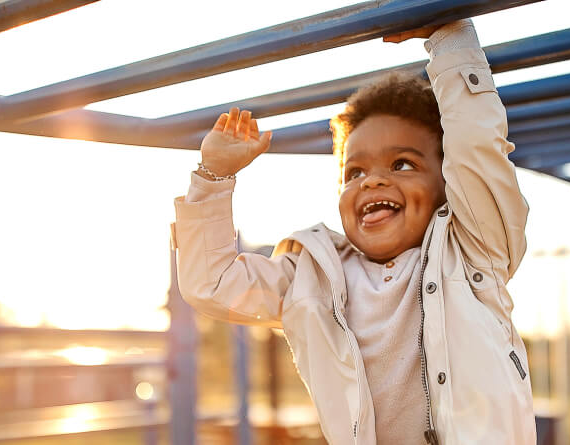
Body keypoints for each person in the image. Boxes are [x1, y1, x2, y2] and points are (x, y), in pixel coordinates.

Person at [172, 18, 534, 444]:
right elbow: (211, 284)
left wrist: (450, 39)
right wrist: (212, 177)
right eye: (355, 171)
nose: (372, 181)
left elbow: (476, 148)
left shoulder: (473, 249)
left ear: (447, 184)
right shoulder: (314, 276)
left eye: (402, 164)